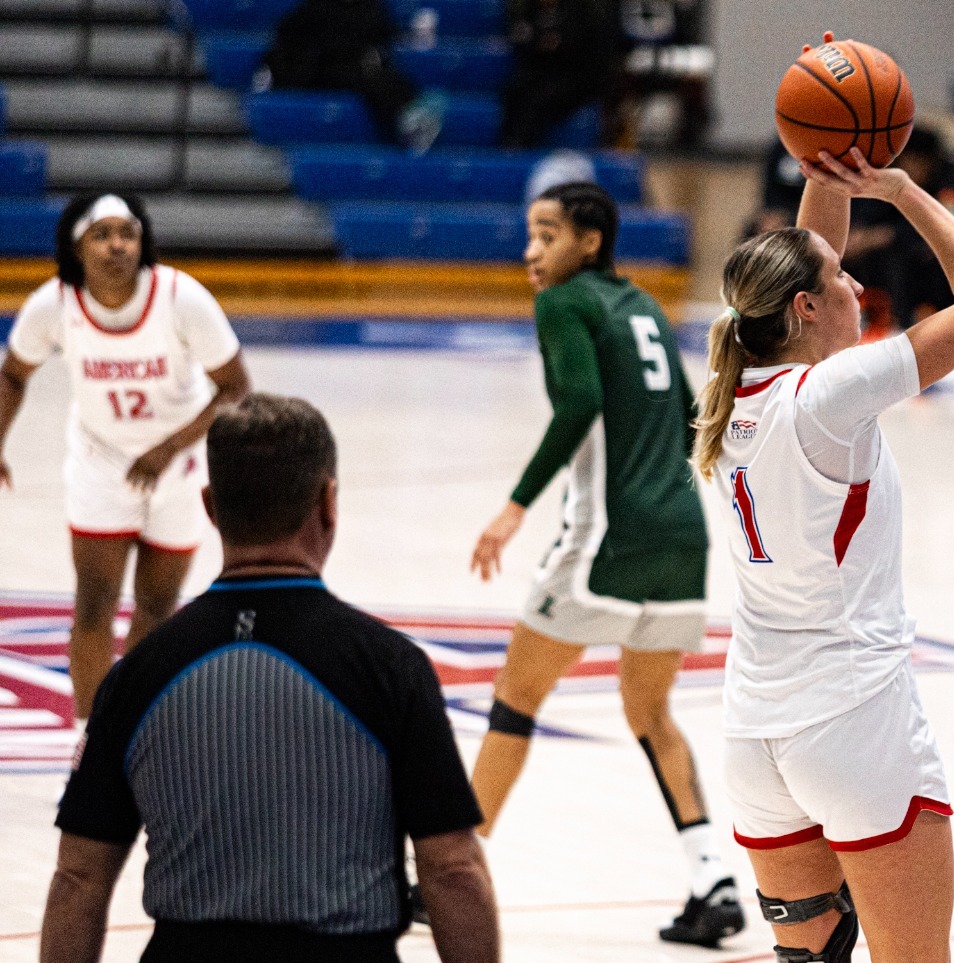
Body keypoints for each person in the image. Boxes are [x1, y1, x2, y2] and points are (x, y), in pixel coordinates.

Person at [693, 146, 954, 963]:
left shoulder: (733, 391)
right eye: (840, 282)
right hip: (852, 718)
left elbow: (810, 259)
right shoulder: (829, 398)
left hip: (754, 730)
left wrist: (825, 168)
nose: (857, 288)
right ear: (804, 307)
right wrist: (902, 189)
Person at [43, 393, 498, 963]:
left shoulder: (139, 673)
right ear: (328, 502)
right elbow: (453, 868)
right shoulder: (388, 668)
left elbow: (79, 879)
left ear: (210, 507)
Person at [465, 182, 743, 947]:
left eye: (547, 234)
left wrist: (515, 505)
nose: (531, 251)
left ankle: (447, 875)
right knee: (649, 711)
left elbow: (579, 401)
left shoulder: (564, 304)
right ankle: (712, 875)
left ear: (589, 242)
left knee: (516, 694)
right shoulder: (647, 306)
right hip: (684, 540)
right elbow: (696, 414)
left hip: (604, 542)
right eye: (529, 234)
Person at [0, 193, 250, 720]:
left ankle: (133, 732)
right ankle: (90, 744)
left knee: (158, 609)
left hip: (177, 464)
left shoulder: (181, 297)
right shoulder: (55, 304)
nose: (117, 245)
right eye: (102, 234)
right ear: (77, 247)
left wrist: (167, 448)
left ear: (143, 242)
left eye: (127, 233)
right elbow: (13, 374)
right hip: (100, 459)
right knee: (94, 604)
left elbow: (235, 389)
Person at [261, 0, 443, 151]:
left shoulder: (369, 8)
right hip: (320, 71)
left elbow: (386, 37)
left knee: (387, 79)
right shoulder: (315, 9)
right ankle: (407, 124)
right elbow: (288, 39)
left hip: (353, 68)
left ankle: (412, 117)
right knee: (370, 80)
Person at [499, 0, 627, 148]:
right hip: (544, 71)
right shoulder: (526, 10)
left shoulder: (583, 11)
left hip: (578, 75)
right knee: (515, 89)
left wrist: (559, 45)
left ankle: (521, 145)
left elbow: (591, 52)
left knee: (540, 98)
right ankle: (508, 146)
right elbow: (522, 38)